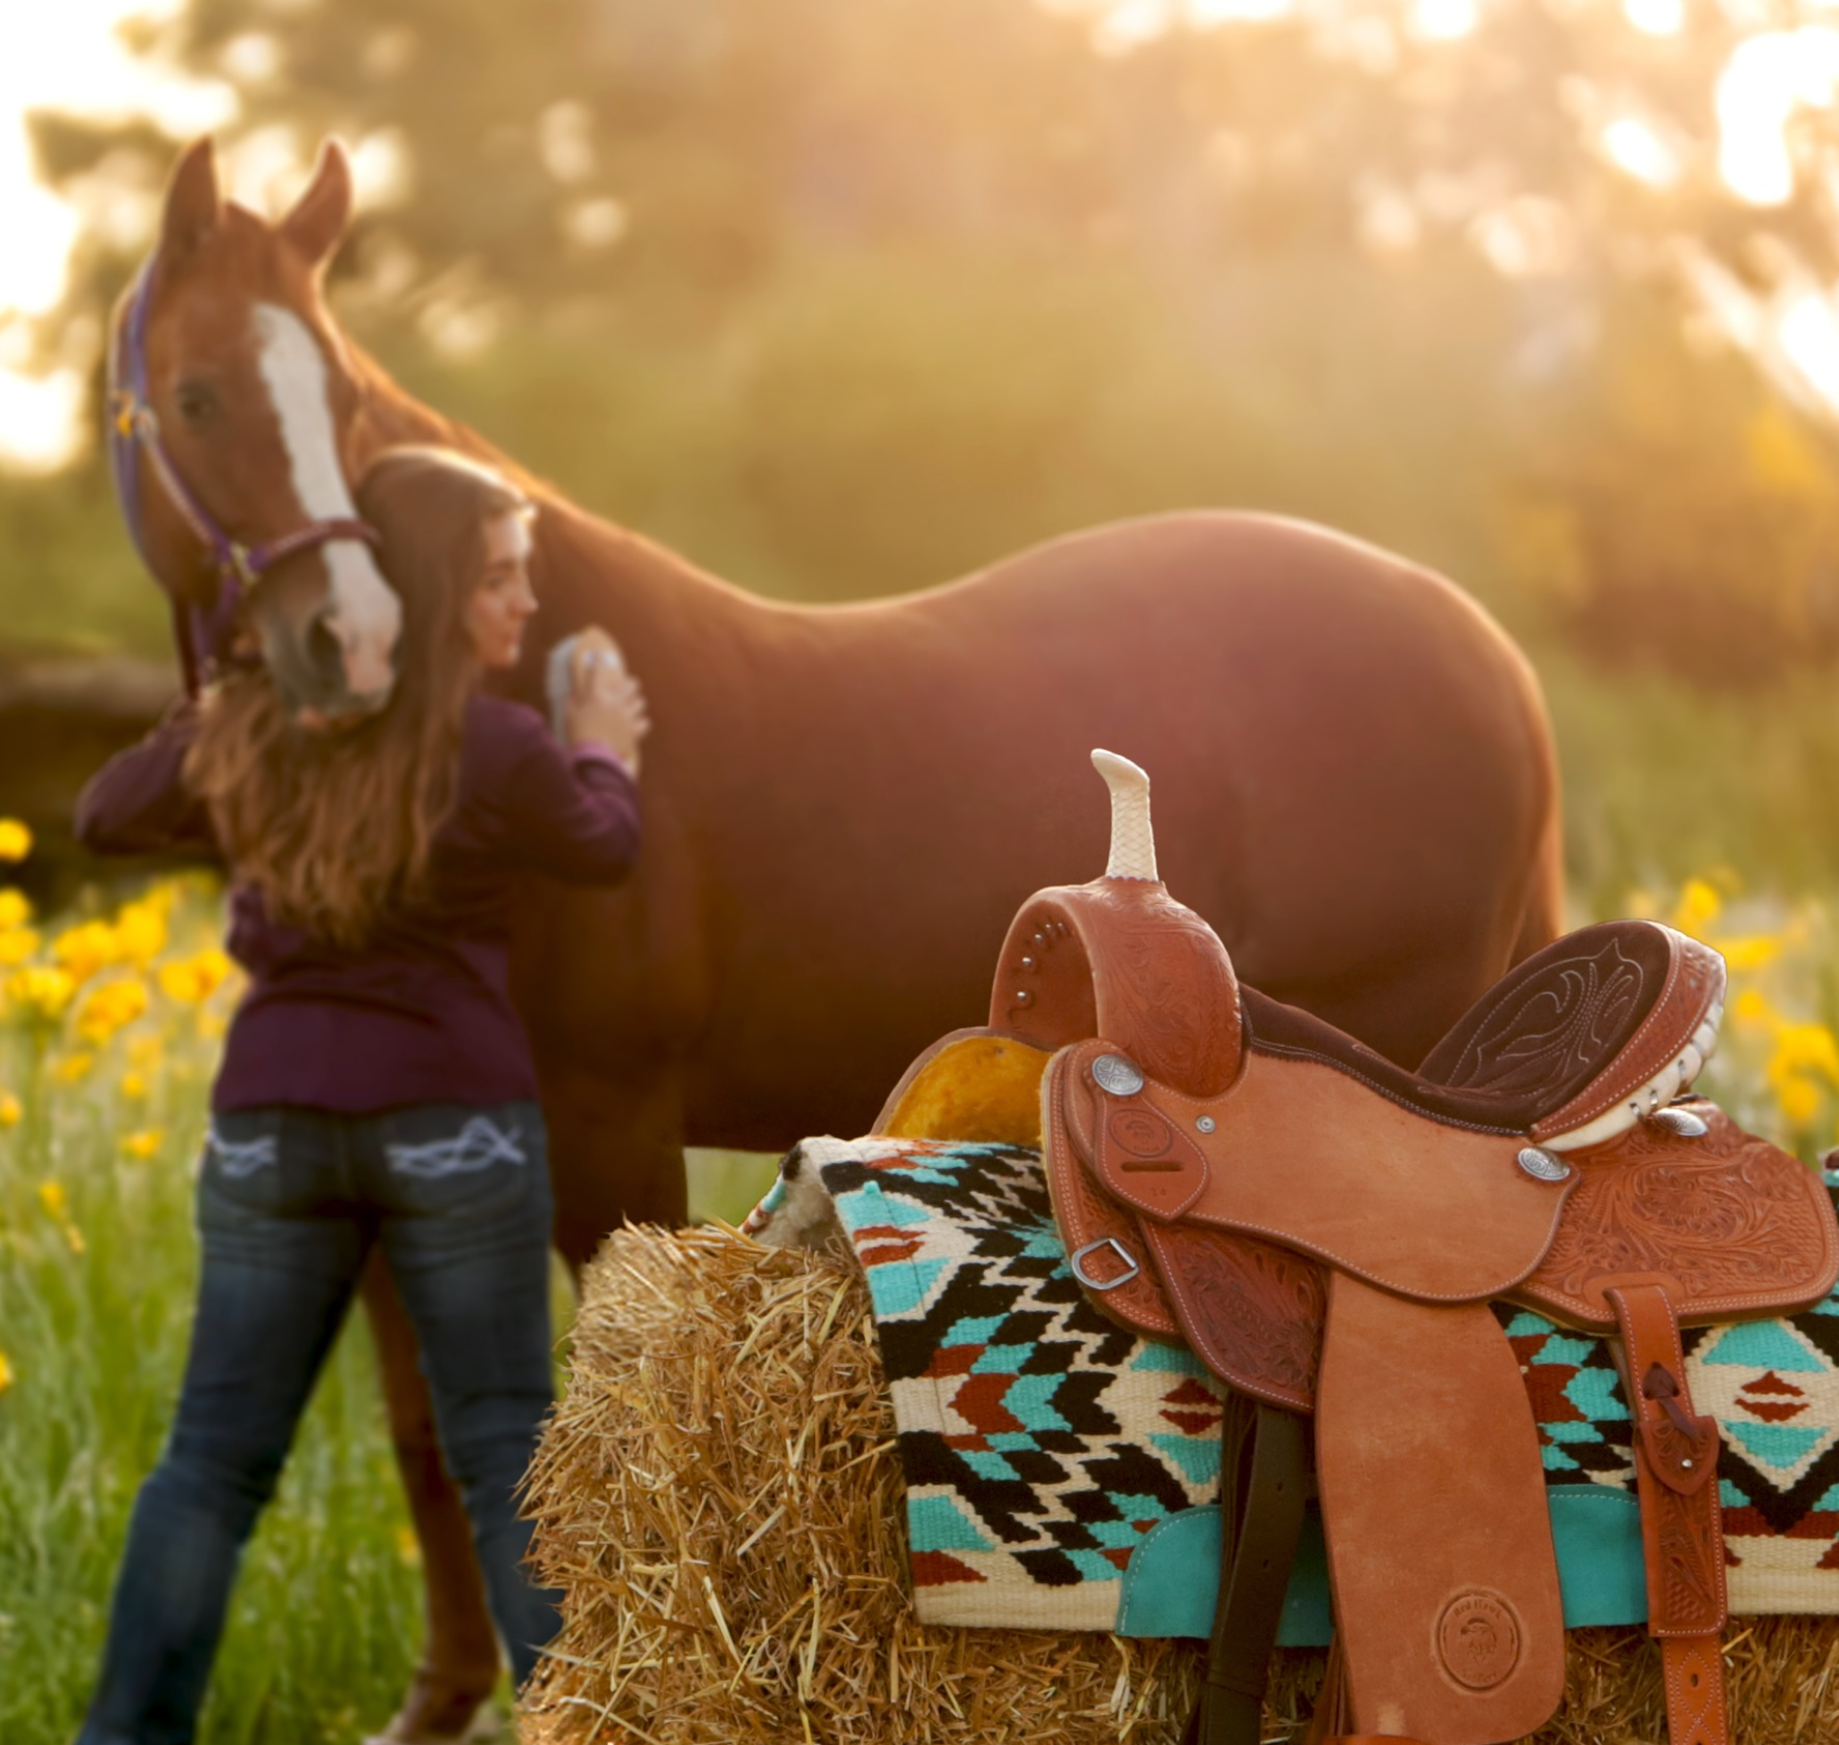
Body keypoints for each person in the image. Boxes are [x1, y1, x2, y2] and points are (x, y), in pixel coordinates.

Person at [71, 446, 648, 1745]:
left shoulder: (268, 738)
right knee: (506, 1447)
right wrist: (605, 750)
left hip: (272, 1134)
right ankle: (581, 1732)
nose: (521, 606)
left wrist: (239, 685)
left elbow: (108, 811)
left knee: (211, 1466)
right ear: (438, 593)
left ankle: (119, 1738)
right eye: (500, 578)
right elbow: (606, 848)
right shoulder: (500, 747)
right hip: (454, 1128)